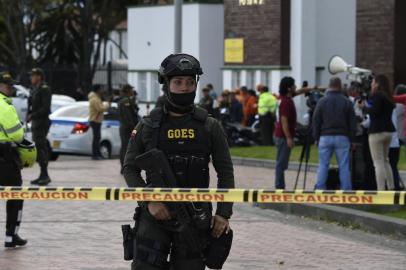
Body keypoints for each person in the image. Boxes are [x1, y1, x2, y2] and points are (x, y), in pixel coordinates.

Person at [123, 53, 234, 270]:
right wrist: (150, 202)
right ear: (166, 84)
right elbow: (129, 169)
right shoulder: (147, 125)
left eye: (190, 82)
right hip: (155, 215)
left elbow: (225, 172)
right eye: (178, 82)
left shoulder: (210, 126)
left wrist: (223, 213)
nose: (185, 87)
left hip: (195, 216)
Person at [0, 72, 32, 247]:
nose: (11, 88)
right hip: (5, 156)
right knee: (15, 194)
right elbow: (18, 136)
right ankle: (11, 236)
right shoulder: (5, 107)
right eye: (8, 85)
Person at [312, 77, 356, 190]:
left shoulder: (322, 101)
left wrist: (316, 138)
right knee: (344, 166)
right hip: (342, 136)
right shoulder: (347, 102)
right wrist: (352, 139)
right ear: (340, 86)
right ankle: (346, 189)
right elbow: (352, 122)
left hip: (325, 136)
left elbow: (316, 120)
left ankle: (321, 188)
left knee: (323, 165)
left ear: (329, 86)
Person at [359, 75, 395, 190]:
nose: (371, 84)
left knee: (378, 162)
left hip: (376, 132)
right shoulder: (388, 96)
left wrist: (364, 107)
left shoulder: (378, 95)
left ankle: (381, 190)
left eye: (373, 82)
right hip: (388, 132)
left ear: (378, 84)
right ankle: (391, 187)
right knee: (385, 160)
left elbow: (374, 111)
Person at [27, 68, 52, 186]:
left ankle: (45, 175)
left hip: (41, 122)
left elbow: (45, 108)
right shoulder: (34, 89)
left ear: (39, 77)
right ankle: (42, 174)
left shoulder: (44, 89)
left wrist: (33, 115)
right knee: (38, 148)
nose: (31, 78)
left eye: (33, 76)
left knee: (41, 149)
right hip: (36, 122)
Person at [273, 77, 297, 189]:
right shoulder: (286, 102)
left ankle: (280, 185)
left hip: (279, 134)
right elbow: (284, 120)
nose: (295, 87)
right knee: (281, 163)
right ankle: (279, 187)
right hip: (283, 136)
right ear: (289, 88)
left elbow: (298, 91)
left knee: (281, 163)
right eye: (294, 85)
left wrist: (313, 88)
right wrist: (289, 138)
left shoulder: (282, 98)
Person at [118, 84, 139, 173]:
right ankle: (124, 167)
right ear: (127, 90)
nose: (132, 91)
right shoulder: (126, 101)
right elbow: (128, 116)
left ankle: (125, 167)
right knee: (126, 148)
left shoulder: (127, 100)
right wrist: (133, 128)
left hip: (125, 127)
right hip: (127, 127)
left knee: (125, 147)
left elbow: (134, 110)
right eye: (131, 89)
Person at [88, 84, 110, 160]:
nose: (102, 90)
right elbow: (100, 108)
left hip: (96, 120)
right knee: (96, 138)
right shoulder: (95, 99)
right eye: (101, 89)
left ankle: (97, 154)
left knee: (97, 138)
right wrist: (107, 105)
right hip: (95, 120)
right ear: (97, 90)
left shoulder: (96, 98)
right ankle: (95, 155)